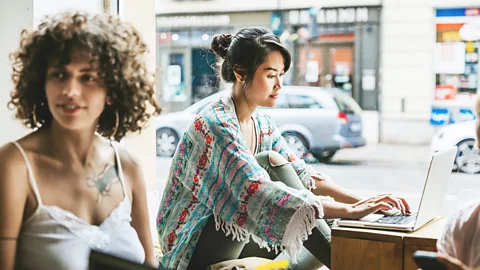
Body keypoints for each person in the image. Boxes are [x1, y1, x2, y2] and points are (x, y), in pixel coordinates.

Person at [156, 27, 411, 270]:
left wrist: (365, 203)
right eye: (270, 75)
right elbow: (257, 192)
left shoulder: (260, 122)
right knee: (273, 166)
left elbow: (302, 176)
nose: (279, 85)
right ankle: (345, 262)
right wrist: (351, 210)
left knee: (326, 218)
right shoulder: (215, 124)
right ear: (240, 73)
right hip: (191, 247)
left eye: (281, 75)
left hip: (237, 237)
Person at [0, 12, 161, 269]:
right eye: (59, 75)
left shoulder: (127, 165)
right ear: (41, 82)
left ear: (113, 89)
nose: (70, 91)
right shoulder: (15, 164)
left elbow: (149, 263)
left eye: (87, 77)